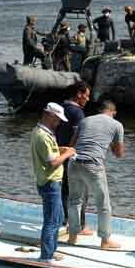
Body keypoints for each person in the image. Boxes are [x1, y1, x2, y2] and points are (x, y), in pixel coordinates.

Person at [66, 100, 125, 250]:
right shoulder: (117, 125)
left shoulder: (85, 120)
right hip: (93, 165)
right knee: (103, 205)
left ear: (99, 110)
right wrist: (110, 143)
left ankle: (72, 237)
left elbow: (72, 145)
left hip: (73, 163)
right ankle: (105, 241)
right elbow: (119, 154)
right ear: (114, 112)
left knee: (74, 201)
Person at [30, 103, 76, 262]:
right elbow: (52, 163)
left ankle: (51, 250)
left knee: (57, 217)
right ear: (50, 116)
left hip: (51, 182)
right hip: (50, 183)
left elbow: (49, 154)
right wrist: (68, 153)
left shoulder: (42, 132)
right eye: (57, 119)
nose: (58, 123)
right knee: (52, 221)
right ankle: (46, 257)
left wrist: (59, 149)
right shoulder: (43, 136)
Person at [55, 80, 91, 233]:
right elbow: (79, 137)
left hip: (59, 153)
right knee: (79, 191)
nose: (88, 99)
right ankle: (79, 225)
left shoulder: (60, 108)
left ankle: (63, 221)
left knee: (64, 189)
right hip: (73, 155)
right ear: (79, 94)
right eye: (86, 96)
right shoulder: (77, 112)